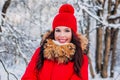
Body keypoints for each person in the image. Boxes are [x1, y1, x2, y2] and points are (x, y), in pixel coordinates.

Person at [21, 4, 88, 80]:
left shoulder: (80, 58)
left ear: (73, 33)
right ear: (54, 32)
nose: (62, 35)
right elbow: (28, 76)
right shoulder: (41, 52)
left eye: (66, 31)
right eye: (58, 30)